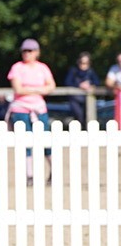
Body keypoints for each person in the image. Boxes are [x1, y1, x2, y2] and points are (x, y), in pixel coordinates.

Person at [7, 38, 56, 186]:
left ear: (37, 52)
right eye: (24, 51)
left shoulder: (43, 68)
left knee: (46, 141)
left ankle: (54, 171)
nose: (27, 53)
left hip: (39, 109)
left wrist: (30, 89)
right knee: (25, 143)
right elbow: (18, 89)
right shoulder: (17, 67)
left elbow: (51, 86)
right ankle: (29, 175)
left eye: (30, 51)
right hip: (21, 109)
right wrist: (39, 89)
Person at [63, 52, 100, 125]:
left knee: (88, 119)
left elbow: (97, 82)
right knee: (79, 118)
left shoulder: (91, 72)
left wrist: (90, 85)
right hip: (75, 100)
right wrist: (79, 85)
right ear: (78, 62)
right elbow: (67, 82)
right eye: (82, 62)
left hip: (87, 100)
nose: (84, 65)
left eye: (86, 63)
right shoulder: (73, 71)